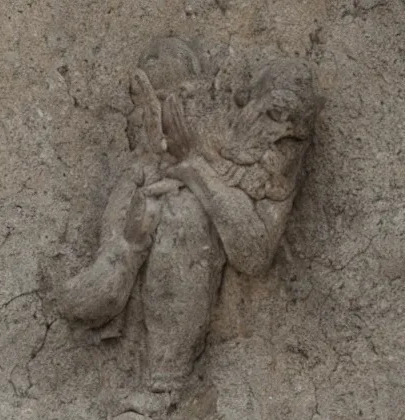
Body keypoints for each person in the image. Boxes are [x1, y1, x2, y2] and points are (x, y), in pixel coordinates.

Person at [60, 41, 319, 401]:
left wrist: (195, 166)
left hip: (227, 339)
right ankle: (159, 383)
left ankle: (166, 381)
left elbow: (254, 254)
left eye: (184, 100)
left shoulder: (263, 161)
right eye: (160, 104)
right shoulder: (143, 174)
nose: (279, 131)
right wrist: (130, 247)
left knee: (185, 211)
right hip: (141, 315)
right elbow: (85, 300)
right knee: (177, 207)